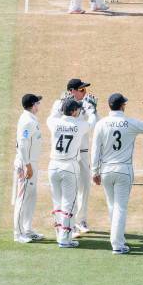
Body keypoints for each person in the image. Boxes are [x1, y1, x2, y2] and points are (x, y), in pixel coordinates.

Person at [91, 92, 143, 254]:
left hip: (106, 170)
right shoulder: (130, 122)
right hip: (124, 170)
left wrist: (95, 171)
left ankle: (118, 238)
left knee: (112, 206)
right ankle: (117, 244)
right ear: (123, 106)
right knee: (120, 208)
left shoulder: (101, 124)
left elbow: (95, 149)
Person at [49, 78, 99, 237]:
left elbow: (96, 124)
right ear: (72, 91)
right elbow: (53, 120)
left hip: (82, 152)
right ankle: (66, 226)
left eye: (84, 90)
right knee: (68, 191)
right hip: (67, 156)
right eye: (81, 90)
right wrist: (63, 105)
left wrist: (93, 110)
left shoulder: (87, 103)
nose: (84, 92)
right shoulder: (59, 103)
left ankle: (81, 220)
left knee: (85, 186)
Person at [13, 93, 44, 243]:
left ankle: (27, 229)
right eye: (37, 103)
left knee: (30, 197)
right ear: (32, 105)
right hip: (26, 164)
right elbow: (23, 144)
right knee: (23, 198)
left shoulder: (31, 119)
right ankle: (18, 234)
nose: (39, 105)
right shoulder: (27, 121)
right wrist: (27, 165)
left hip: (32, 162)